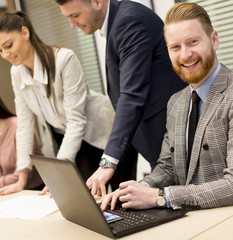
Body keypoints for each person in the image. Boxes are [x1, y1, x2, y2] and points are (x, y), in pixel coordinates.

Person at [101, 2, 233, 211]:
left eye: (192, 42)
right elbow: (167, 166)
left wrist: (161, 196)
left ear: (214, 40)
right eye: (175, 47)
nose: (184, 55)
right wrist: (140, 188)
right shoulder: (176, 102)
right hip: (190, 218)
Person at [56, 0, 187, 196]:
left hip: (174, 141)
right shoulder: (118, 22)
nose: (72, 24)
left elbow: (131, 95)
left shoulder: (129, 21)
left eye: (75, 15)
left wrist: (108, 162)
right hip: (161, 147)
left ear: (97, 2)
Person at [0, 11, 115, 190]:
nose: (5, 54)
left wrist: (60, 174)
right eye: (0, 50)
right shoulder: (16, 72)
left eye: (8, 45)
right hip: (68, 140)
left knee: (119, 201)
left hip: (104, 134)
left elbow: (76, 119)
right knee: (83, 201)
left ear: (25, 33)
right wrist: (21, 178)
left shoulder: (64, 59)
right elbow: (24, 124)